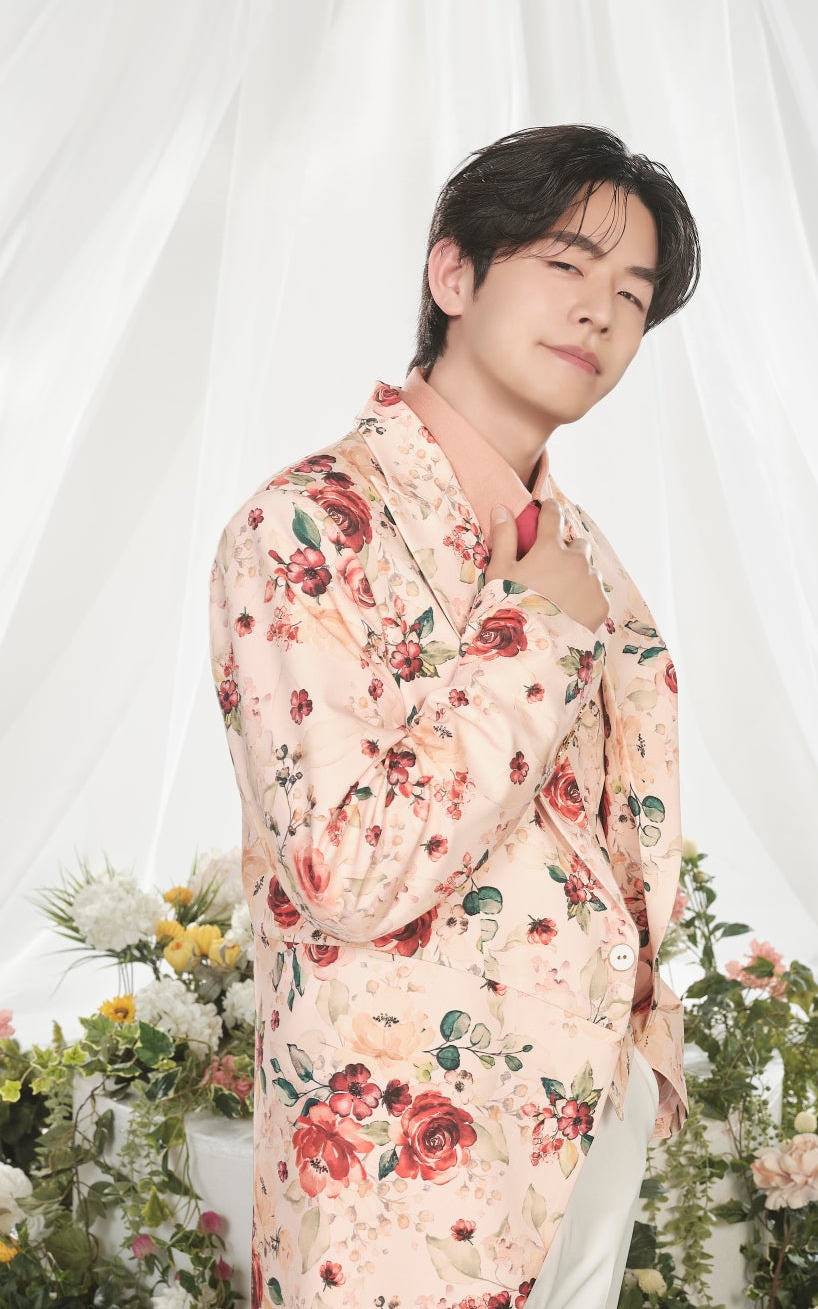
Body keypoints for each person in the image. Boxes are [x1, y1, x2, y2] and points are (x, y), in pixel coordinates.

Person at [209, 123, 700, 1309]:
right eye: (565, 264)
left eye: (631, 296)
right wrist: (529, 633)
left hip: (584, 1125)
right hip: (401, 1165)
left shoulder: (580, 551)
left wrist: (641, 1055)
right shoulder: (308, 526)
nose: (597, 313)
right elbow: (346, 867)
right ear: (453, 275)